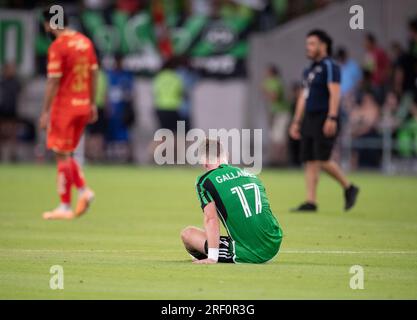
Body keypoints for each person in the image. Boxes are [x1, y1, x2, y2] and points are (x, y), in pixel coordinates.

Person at [289, 29, 359, 212]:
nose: (309, 48)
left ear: (323, 45)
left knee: (322, 158)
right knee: (310, 159)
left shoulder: (330, 66)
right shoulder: (308, 70)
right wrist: (296, 121)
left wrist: (332, 117)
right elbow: (303, 97)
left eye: (312, 44)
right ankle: (311, 201)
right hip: (309, 118)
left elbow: (335, 93)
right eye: (308, 44)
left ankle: (349, 186)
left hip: (324, 116)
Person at [181, 139, 283, 264]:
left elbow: (211, 219)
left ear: (204, 162)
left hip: (250, 252)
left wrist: (213, 257)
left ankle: (210, 256)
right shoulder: (251, 175)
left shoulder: (206, 180)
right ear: (226, 155)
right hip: (274, 242)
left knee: (188, 234)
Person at [39, 7, 98, 220]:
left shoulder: (58, 46)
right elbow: (94, 73)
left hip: (65, 107)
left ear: (49, 24)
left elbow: (54, 80)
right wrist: (92, 103)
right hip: (83, 105)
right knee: (67, 152)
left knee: (60, 153)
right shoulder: (85, 42)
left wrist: (45, 111)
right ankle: (82, 192)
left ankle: (66, 204)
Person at [261, 64, 291, 165]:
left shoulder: (275, 82)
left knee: (279, 137)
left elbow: (274, 97)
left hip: (282, 113)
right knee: (275, 137)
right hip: (276, 113)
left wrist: (265, 91)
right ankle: (277, 160)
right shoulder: (272, 82)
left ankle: (280, 161)